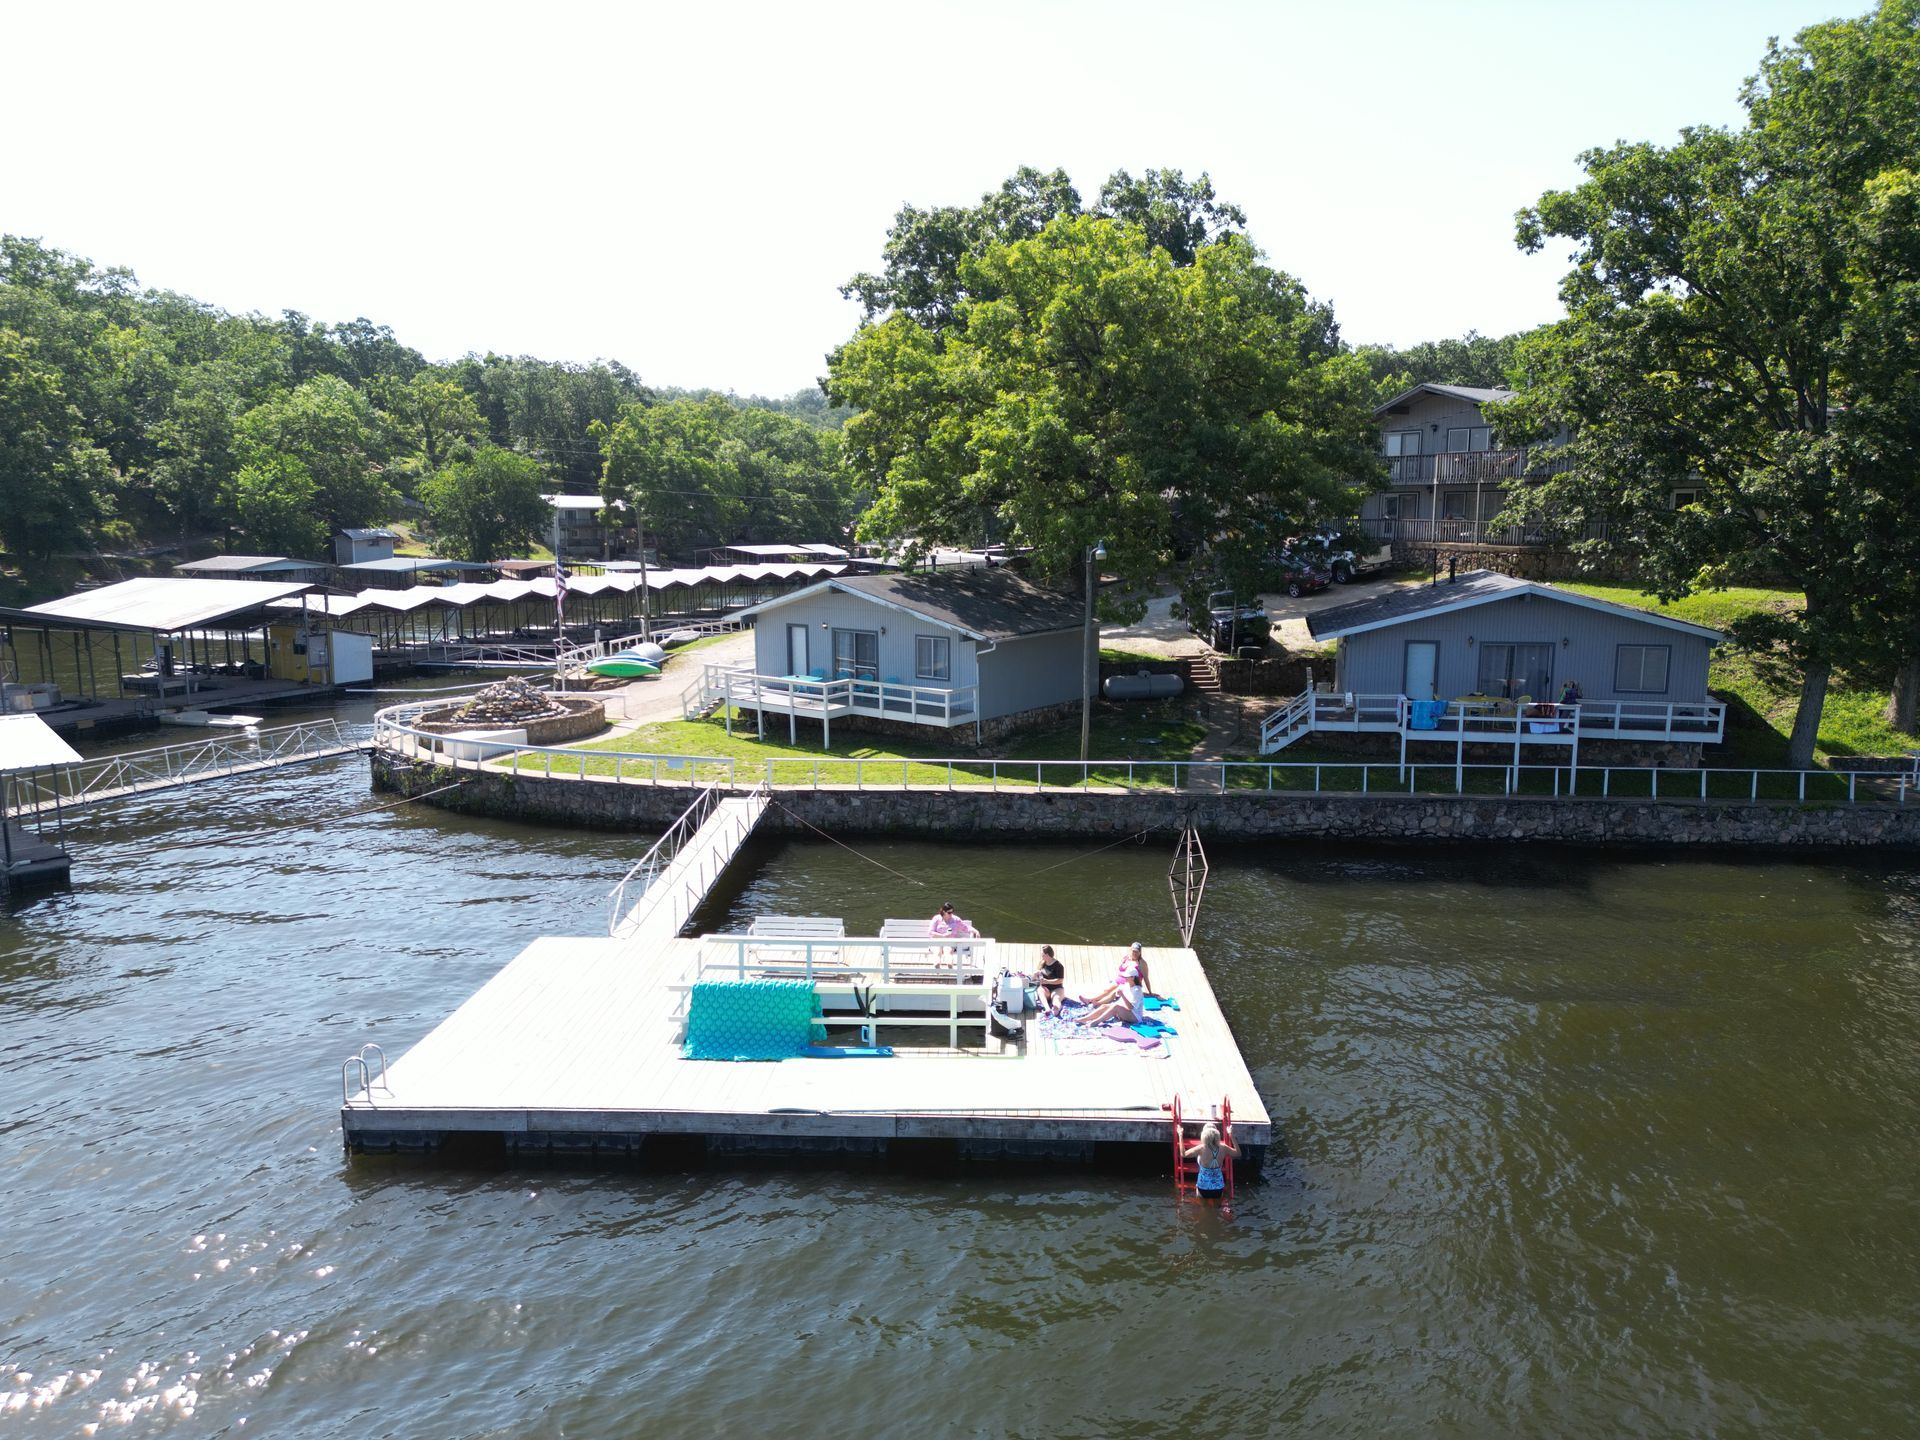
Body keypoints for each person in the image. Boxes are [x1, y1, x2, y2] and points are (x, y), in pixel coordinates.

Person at [1079, 943, 1153, 1007]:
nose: (1134, 953)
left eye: (1136, 952)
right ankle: (1091, 1001)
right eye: (1133, 951)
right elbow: (1121, 969)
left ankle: (1091, 1001)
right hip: (1121, 979)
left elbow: (1146, 978)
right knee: (1107, 990)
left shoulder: (1142, 963)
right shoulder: (1126, 958)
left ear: (1140, 952)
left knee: (1110, 992)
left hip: (1131, 982)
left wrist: (1150, 992)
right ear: (1130, 950)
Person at [1075, 966, 1146, 1028]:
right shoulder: (1126, 985)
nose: (1125, 978)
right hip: (1125, 1011)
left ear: (1133, 977)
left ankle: (1096, 1022)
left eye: (1127, 977)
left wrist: (1122, 995)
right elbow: (1114, 995)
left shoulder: (1137, 991)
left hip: (1135, 1016)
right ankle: (1085, 1019)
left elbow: (1130, 1008)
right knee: (1104, 1006)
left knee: (1116, 1007)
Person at [1185, 1121, 1240, 1201]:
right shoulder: (1223, 1148)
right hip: (1218, 1187)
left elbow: (1183, 1154)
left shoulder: (1201, 1148)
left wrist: (1180, 1135)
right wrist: (1231, 1135)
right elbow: (1238, 1153)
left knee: (1203, 1209)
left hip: (1203, 1186)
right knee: (1217, 1209)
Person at [1029, 944, 1065, 1014]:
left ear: (1047, 955)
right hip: (1046, 989)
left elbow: (1060, 980)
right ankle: (1047, 1008)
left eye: (1042, 954)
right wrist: (1036, 975)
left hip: (1057, 989)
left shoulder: (1058, 966)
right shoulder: (1043, 963)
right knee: (1040, 990)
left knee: (1055, 999)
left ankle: (1056, 1008)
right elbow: (1037, 977)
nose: (1041, 955)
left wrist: (1047, 981)